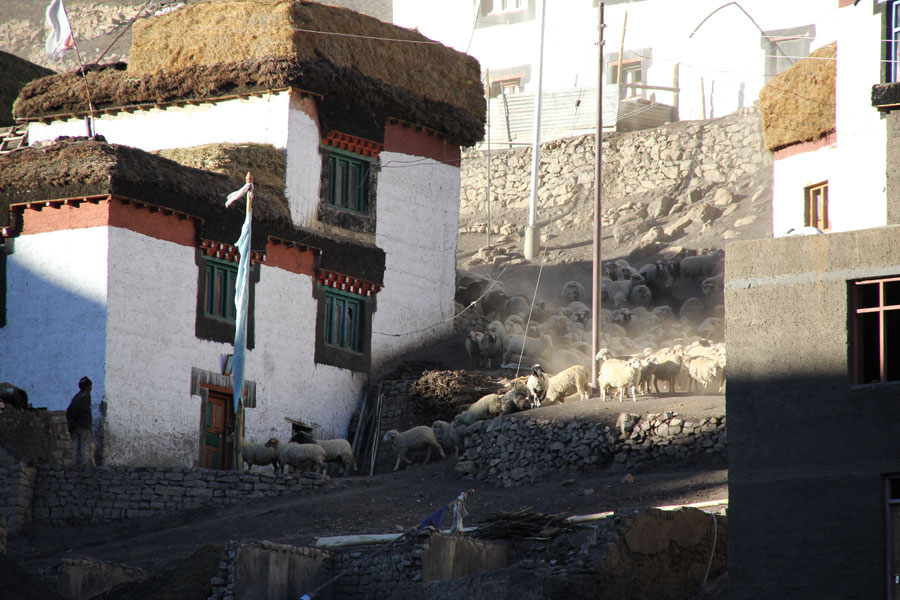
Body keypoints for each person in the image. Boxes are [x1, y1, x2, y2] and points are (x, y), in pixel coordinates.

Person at [66, 376, 95, 466]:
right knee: (84, 445)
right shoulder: (86, 396)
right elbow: (85, 411)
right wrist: (89, 424)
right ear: (86, 387)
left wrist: (72, 421)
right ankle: (84, 464)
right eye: (90, 386)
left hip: (74, 426)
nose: (91, 388)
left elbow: (69, 410)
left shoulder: (76, 397)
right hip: (83, 424)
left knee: (75, 446)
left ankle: (74, 464)